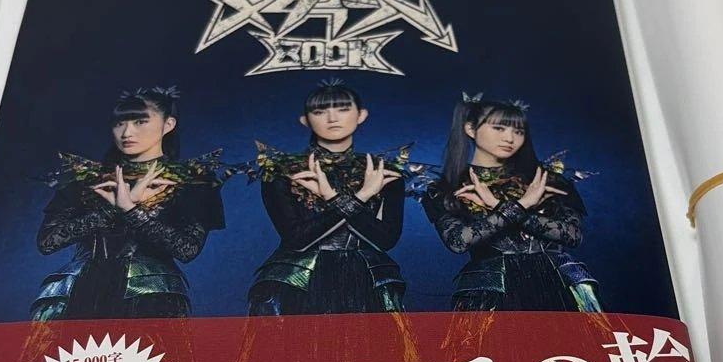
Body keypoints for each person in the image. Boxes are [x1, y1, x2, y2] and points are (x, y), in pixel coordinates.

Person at [30, 86, 224, 320]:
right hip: (75, 296)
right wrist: (112, 209)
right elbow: (47, 243)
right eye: (119, 123)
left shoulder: (193, 180)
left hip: (150, 300)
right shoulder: (85, 178)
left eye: (140, 122)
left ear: (168, 124)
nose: (126, 132)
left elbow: (187, 249)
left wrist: (131, 210)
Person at [421, 93, 601, 312]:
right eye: (499, 128)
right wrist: (522, 204)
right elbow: (458, 241)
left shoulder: (546, 180)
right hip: (493, 290)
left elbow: (573, 236)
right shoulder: (446, 187)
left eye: (518, 131)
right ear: (470, 129)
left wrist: (499, 206)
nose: (510, 138)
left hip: (559, 283)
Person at [248, 80, 406, 315]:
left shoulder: (383, 172)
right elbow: (296, 238)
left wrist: (334, 197)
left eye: (343, 109)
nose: (332, 118)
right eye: (320, 111)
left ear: (361, 115)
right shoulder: (283, 170)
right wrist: (362, 196)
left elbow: (385, 240)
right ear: (305, 120)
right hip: (298, 283)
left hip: (367, 282)